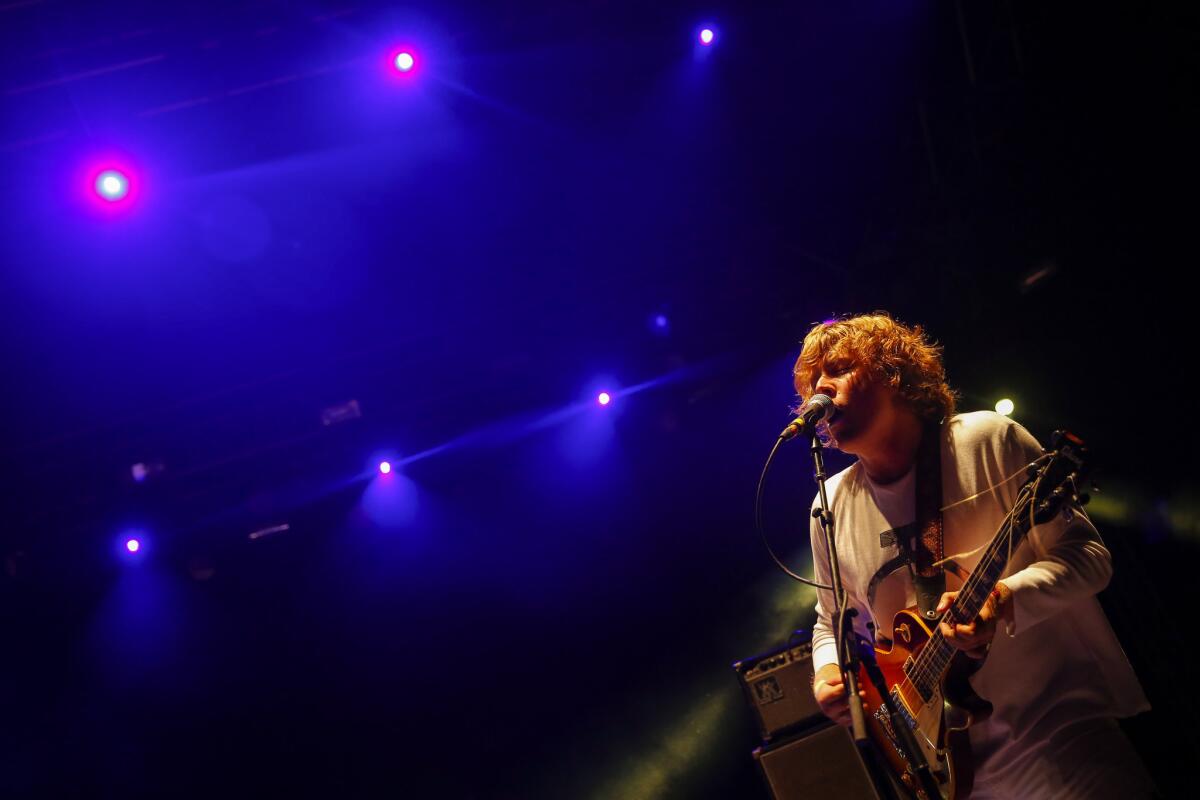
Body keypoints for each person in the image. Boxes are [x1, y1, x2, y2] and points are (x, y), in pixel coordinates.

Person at [796, 313, 1153, 798]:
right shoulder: (829, 505)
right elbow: (829, 620)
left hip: (1064, 743)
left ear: (891, 372)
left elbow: (1090, 555)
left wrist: (1004, 597)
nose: (820, 387)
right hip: (953, 777)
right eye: (813, 381)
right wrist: (828, 673)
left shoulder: (985, 439)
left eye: (837, 369)